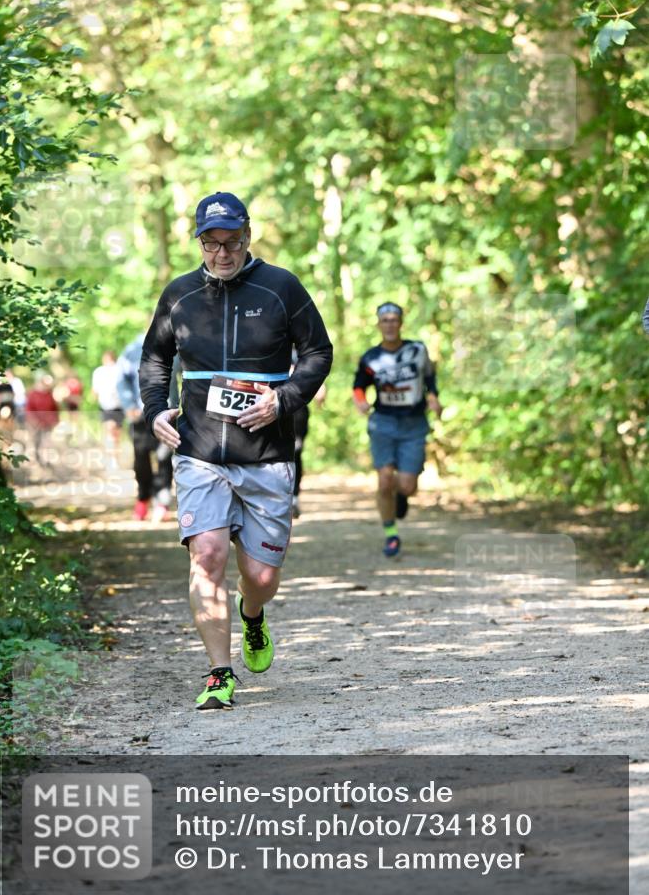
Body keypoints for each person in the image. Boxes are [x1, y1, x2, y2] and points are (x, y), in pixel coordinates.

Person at [139, 191, 333, 710]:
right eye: (212, 243)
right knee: (208, 556)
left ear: (248, 237)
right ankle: (218, 674)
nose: (222, 253)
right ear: (199, 241)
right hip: (199, 451)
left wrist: (283, 399)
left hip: (267, 454)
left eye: (232, 242)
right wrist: (156, 409)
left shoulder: (281, 288)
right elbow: (155, 359)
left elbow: (318, 352)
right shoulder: (179, 295)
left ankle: (253, 616)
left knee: (262, 578)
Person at [352, 302, 442, 558]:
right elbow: (359, 385)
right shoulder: (371, 358)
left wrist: (434, 397)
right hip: (383, 422)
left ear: (401, 323)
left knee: (407, 486)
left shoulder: (417, 350)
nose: (390, 324)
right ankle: (391, 534)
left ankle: (401, 497)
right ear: (379, 324)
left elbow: (430, 378)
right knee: (384, 480)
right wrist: (360, 401)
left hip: (414, 423)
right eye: (385, 320)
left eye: (394, 319)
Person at [117, 333, 175, 522]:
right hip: (140, 415)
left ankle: (162, 502)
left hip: (168, 414)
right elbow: (121, 379)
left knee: (164, 458)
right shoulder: (132, 349)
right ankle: (143, 498)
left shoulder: (180, 346)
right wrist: (129, 405)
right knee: (141, 459)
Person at [290, 348, 326, 518]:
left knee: (295, 451)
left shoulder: (302, 347)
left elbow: (315, 366)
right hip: (262, 403)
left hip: (296, 408)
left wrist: (320, 386)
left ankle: (294, 499)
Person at [91, 351, 124, 452]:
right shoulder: (99, 371)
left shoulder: (118, 370)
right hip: (108, 406)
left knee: (115, 433)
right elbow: (95, 390)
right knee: (112, 431)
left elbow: (94, 392)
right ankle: (112, 458)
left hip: (116, 405)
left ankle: (114, 456)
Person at [25, 373, 60, 466]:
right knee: (37, 440)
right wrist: (33, 420)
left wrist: (56, 419)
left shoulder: (49, 394)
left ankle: (47, 460)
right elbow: (29, 408)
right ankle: (37, 458)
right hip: (35, 423)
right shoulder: (33, 393)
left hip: (47, 422)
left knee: (47, 441)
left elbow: (54, 408)